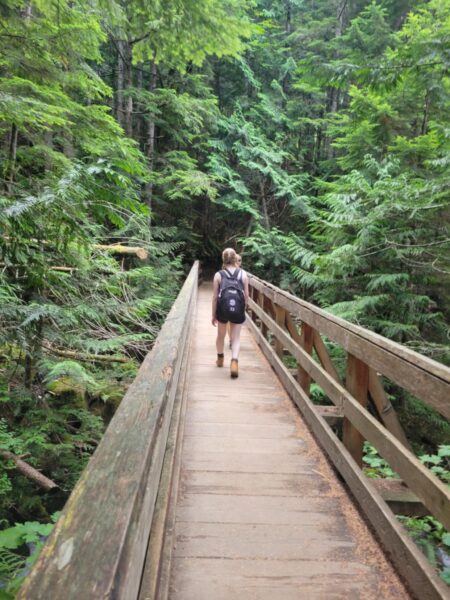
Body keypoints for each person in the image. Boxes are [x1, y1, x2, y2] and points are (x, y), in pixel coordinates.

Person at [212, 248, 249, 378]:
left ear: (223, 259)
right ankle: (234, 362)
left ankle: (220, 358)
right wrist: (241, 311)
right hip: (238, 310)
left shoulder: (218, 275)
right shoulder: (243, 274)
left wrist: (213, 315)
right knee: (236, 338)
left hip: (222, 310)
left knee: (221, 336)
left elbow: (215, 297)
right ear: (235, 259)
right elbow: (246, 297)